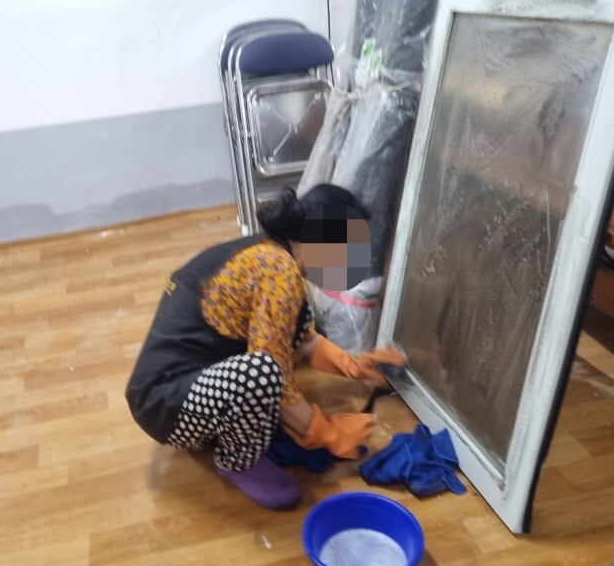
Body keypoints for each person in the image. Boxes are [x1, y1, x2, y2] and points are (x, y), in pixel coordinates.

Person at [125, 184, 406, 510]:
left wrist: (351, 365)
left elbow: (295, 334)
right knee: (263, 373)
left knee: (282, 344)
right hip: (165, 406)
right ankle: (236, 462)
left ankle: (219, 427)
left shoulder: (270, 251)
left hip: (175, 391)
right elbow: (276, 376)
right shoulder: (279, 272)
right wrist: (326, 433)